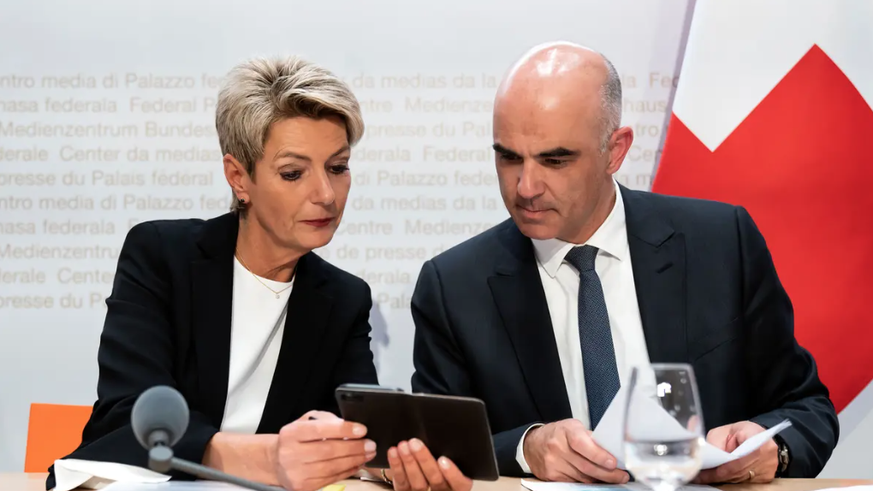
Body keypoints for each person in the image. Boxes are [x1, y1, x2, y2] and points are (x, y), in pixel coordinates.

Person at [410, 41, 839, 485]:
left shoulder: (720, 244)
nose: (526, 187)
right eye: (509, 157)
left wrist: (771, 448)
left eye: (555, 160)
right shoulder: (454, 287)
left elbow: (807, 407)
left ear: (615, 151)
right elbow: (435, 449)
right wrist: (524, 448)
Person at [47, 56, 468, 491]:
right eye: (293, 173)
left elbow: (356, 429)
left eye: (338, 167)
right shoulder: (161, 256)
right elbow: (130, 416)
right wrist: (269, 459)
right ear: (238, 178)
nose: (326, 194)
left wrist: (394, 465)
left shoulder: (344, 297)